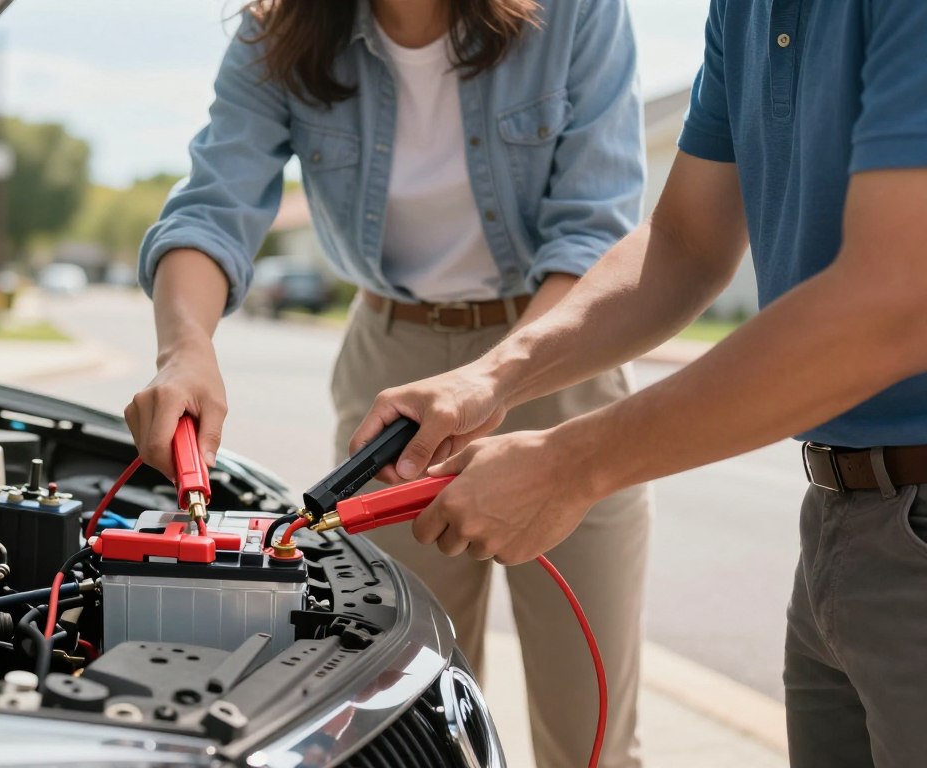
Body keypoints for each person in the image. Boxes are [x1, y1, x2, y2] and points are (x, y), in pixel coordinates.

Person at [349, 1, 927, 764]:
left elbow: (894, 303)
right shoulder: (744, 12)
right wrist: (491, 377)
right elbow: (687, 242)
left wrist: (569, 466)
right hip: (838, 523)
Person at [126, 0, 649, 764]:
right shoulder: (281, 31)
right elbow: (213, 207)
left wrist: (490, 379)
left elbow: (595, 230)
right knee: (403, 714)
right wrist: (184, 348)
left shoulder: (574, 12)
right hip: (392, 369)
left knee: (590, 732)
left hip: (561, 355)